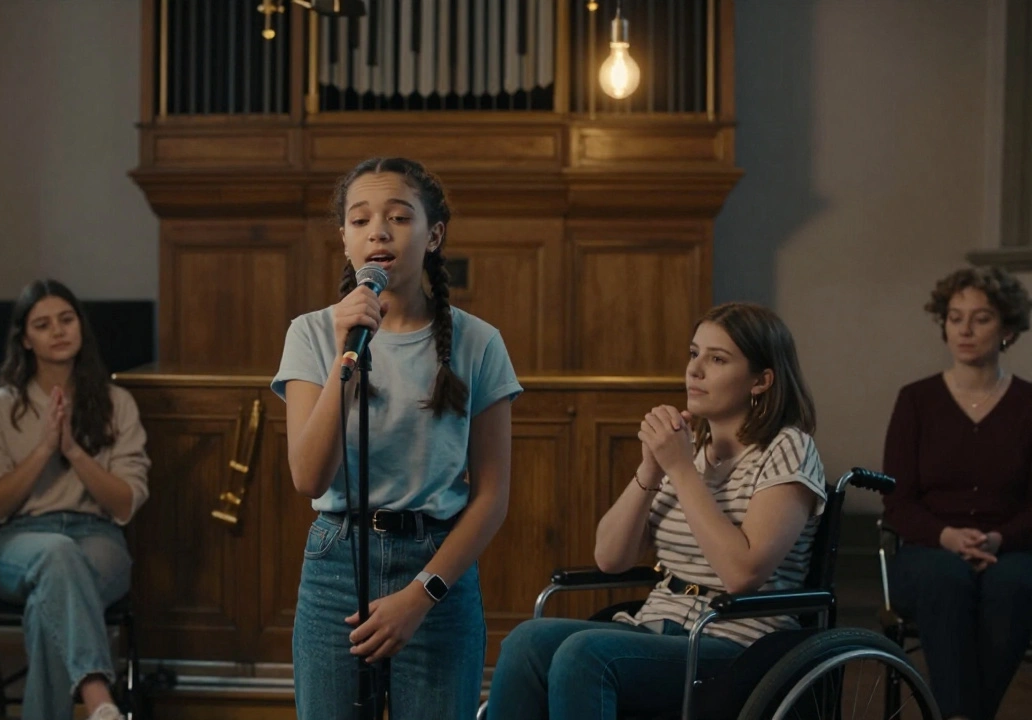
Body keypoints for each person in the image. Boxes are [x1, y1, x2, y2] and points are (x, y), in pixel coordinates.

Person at [487, 302, 825, 720]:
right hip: (657, 627)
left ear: (761, 380)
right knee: (525, 642)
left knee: (583, 654)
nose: (695, 370)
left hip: (739, 643)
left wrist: (680, 470)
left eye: (717, 359)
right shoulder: (692, 450)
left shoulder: (788, 447)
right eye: (694, 353)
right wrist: (651, 467)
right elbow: (610, 558)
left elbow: (743, 574)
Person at [272, 157, 522, 719]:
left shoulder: (480, 342)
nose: (378, 232)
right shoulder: (312, 333)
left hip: (437, 567)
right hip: (337, 562)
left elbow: (492, 497)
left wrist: (421, 595)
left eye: (399, 218)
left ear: (434, 235)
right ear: (345, 240)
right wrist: (346, 355)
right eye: (360, 220)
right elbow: (308, 476)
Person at [0, 279, 151, 720]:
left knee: (46, 604)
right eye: (43, 324)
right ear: (25, 339)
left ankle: (95, 701)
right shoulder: (0, 406)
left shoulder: (117, 402)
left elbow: (126, 504)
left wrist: (72, 450)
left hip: (98, 537)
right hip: (21, 540)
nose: (58, 331)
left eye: (66, 319)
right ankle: (97, 695)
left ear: (81, 327)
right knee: (57, 554)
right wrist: (44, 449)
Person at [883, 266, 1032, 720]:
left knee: (1013, 584)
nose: (965, 330)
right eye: (955, 317)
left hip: (1012, 549)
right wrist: (947, 536)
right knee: (945, 578)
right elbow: (898, 501)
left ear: (1007, 329)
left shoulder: (1028, 404)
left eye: (981, 318)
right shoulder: (916, 400)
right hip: (929, 551)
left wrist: (999, 539)